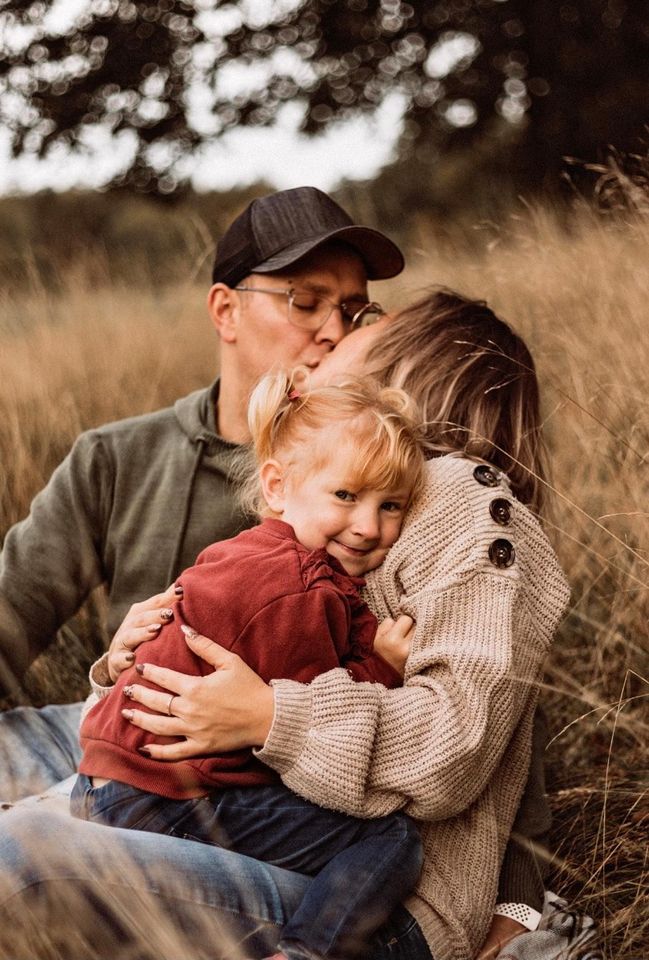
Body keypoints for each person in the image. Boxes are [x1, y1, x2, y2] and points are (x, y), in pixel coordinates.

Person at [0, 184, 551, 956]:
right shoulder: (127, 458)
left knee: (22, 850)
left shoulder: (412, 505)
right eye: (306, 302)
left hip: (287, 815)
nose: (334, 333)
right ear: (224, 311)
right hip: (161, 747)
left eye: (358, 315)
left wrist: (519, 905)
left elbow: (488, 720)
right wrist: (123, 665)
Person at [71, 373, 426, 960]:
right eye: (346, 496)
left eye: (391, 506)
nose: (369, 525)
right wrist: (383, 668)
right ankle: (306, 952)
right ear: (277, 486)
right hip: (164, 796)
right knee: (390, 839)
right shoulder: (296, 592)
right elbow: (314, 719)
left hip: (109, 776)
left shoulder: (247, 550)